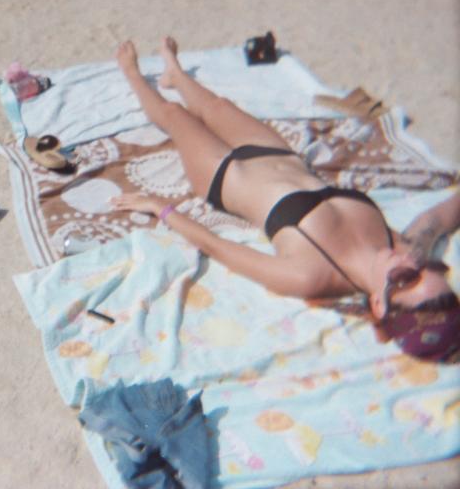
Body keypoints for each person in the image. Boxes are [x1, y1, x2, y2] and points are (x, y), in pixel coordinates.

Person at [109, 36, 460, 362]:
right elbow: (445, 215)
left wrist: (160, 208)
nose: (412, 263)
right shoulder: (407, 247)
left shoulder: (309, 275)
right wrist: (418, 257)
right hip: (278, 154)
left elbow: (216, 247)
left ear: (379, 305)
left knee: (176, 116)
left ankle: (131, 73)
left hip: (224, 175)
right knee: (218, 105)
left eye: (405, 279)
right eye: (429, 268)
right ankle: (176, 76)